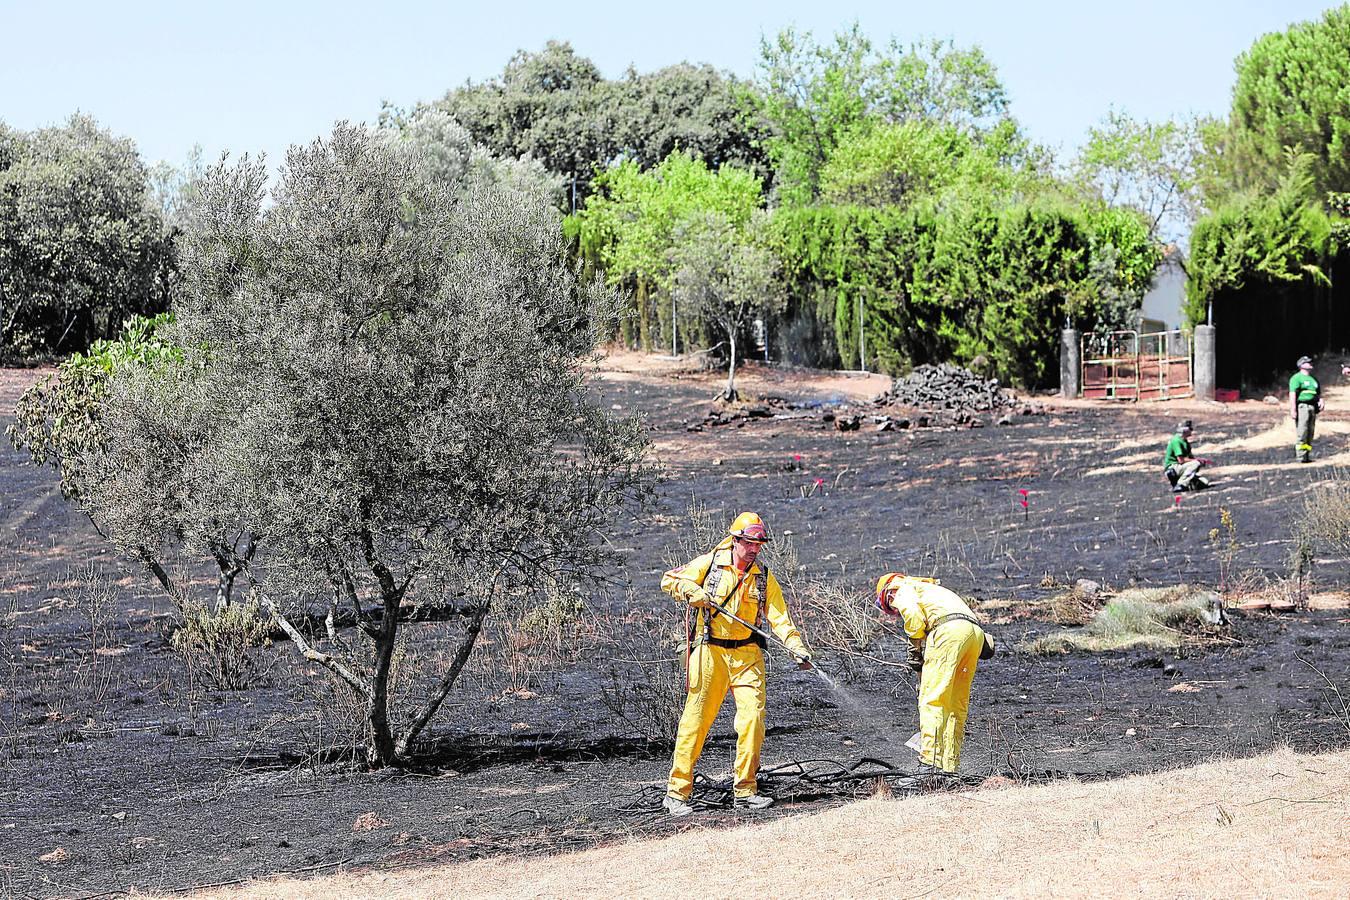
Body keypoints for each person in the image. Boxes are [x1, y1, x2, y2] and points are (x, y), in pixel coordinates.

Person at [658, 512, 811, 817]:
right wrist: (693, 591)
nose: (755, 549)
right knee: (696, 721)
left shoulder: (763, 577)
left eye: (759, 544)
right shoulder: (711, 563)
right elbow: (669, 579)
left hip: (747, 655)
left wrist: (796, 647)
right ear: (736, 540)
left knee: (753, 720)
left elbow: (779, 618)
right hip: (710, 653)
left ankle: (745, 790)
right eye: (750, 543)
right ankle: (676, 793)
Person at [875, 573, 992, 776]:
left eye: (891, 609)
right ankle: (949, 767)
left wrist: (915, 646)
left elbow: (912, 616)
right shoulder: (933, 590)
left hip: (948, 632)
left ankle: (929, 765)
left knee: (932, 701)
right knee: (955, 705)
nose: (895, 612)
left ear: (888, 594)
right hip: (974, 635)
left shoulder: (902, 588)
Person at [1290, 356, 1324, 463]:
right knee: (1302, 431)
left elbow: (1318, 393)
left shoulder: (1314, 380)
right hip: (1302, 407)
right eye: (1307, 362)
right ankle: (1300, 457)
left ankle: (1307, 455)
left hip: (1312, 407)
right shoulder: (1296, 378)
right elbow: (1292, 394)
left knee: (1310, 432)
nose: (1310, 364)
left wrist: (1321, 401)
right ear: (1301, 365)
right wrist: (1293, 409)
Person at [1163, 419, 1211, 492]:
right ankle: (1181, 484)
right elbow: (1181, 460)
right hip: (1174, 467)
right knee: (1196, 463)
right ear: (1184, 430)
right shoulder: (1176, 441)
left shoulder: (1185, 442)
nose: (1191, 430)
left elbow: (1189, 458)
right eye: (1190, 429)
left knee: (1205, 482)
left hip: (1181, 468)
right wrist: (1197, 461)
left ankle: (1187, 483)